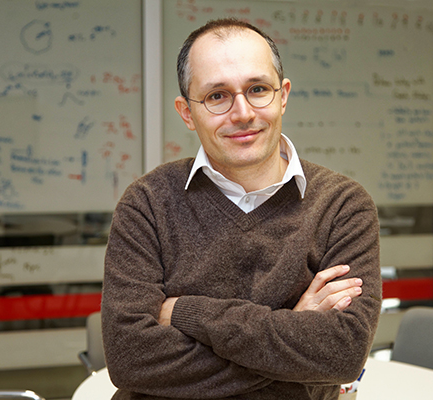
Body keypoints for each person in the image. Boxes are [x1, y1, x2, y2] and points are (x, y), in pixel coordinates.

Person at [102, 18, 381, 400]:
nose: (243, 113)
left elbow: (342, 353)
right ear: (187, 112)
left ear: (283, 95)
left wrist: (187, 313)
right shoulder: (147, 203)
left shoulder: (342, 206)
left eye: (258, 89)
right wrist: (295, 335)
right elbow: (130, 359)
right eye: (217, 96)